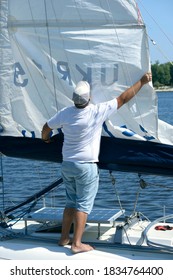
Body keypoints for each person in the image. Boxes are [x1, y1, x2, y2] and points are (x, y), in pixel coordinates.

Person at [41, 72, 152, 254]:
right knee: (83, 205)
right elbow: (123, 98)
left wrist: (45, 139)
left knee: (71, 201)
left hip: (67, 164)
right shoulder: (96, 111)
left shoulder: (65, 113)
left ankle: (63, 238)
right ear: (89, 98)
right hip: (86, 166)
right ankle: (77, 243)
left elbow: (46, 128)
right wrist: (142, 81)